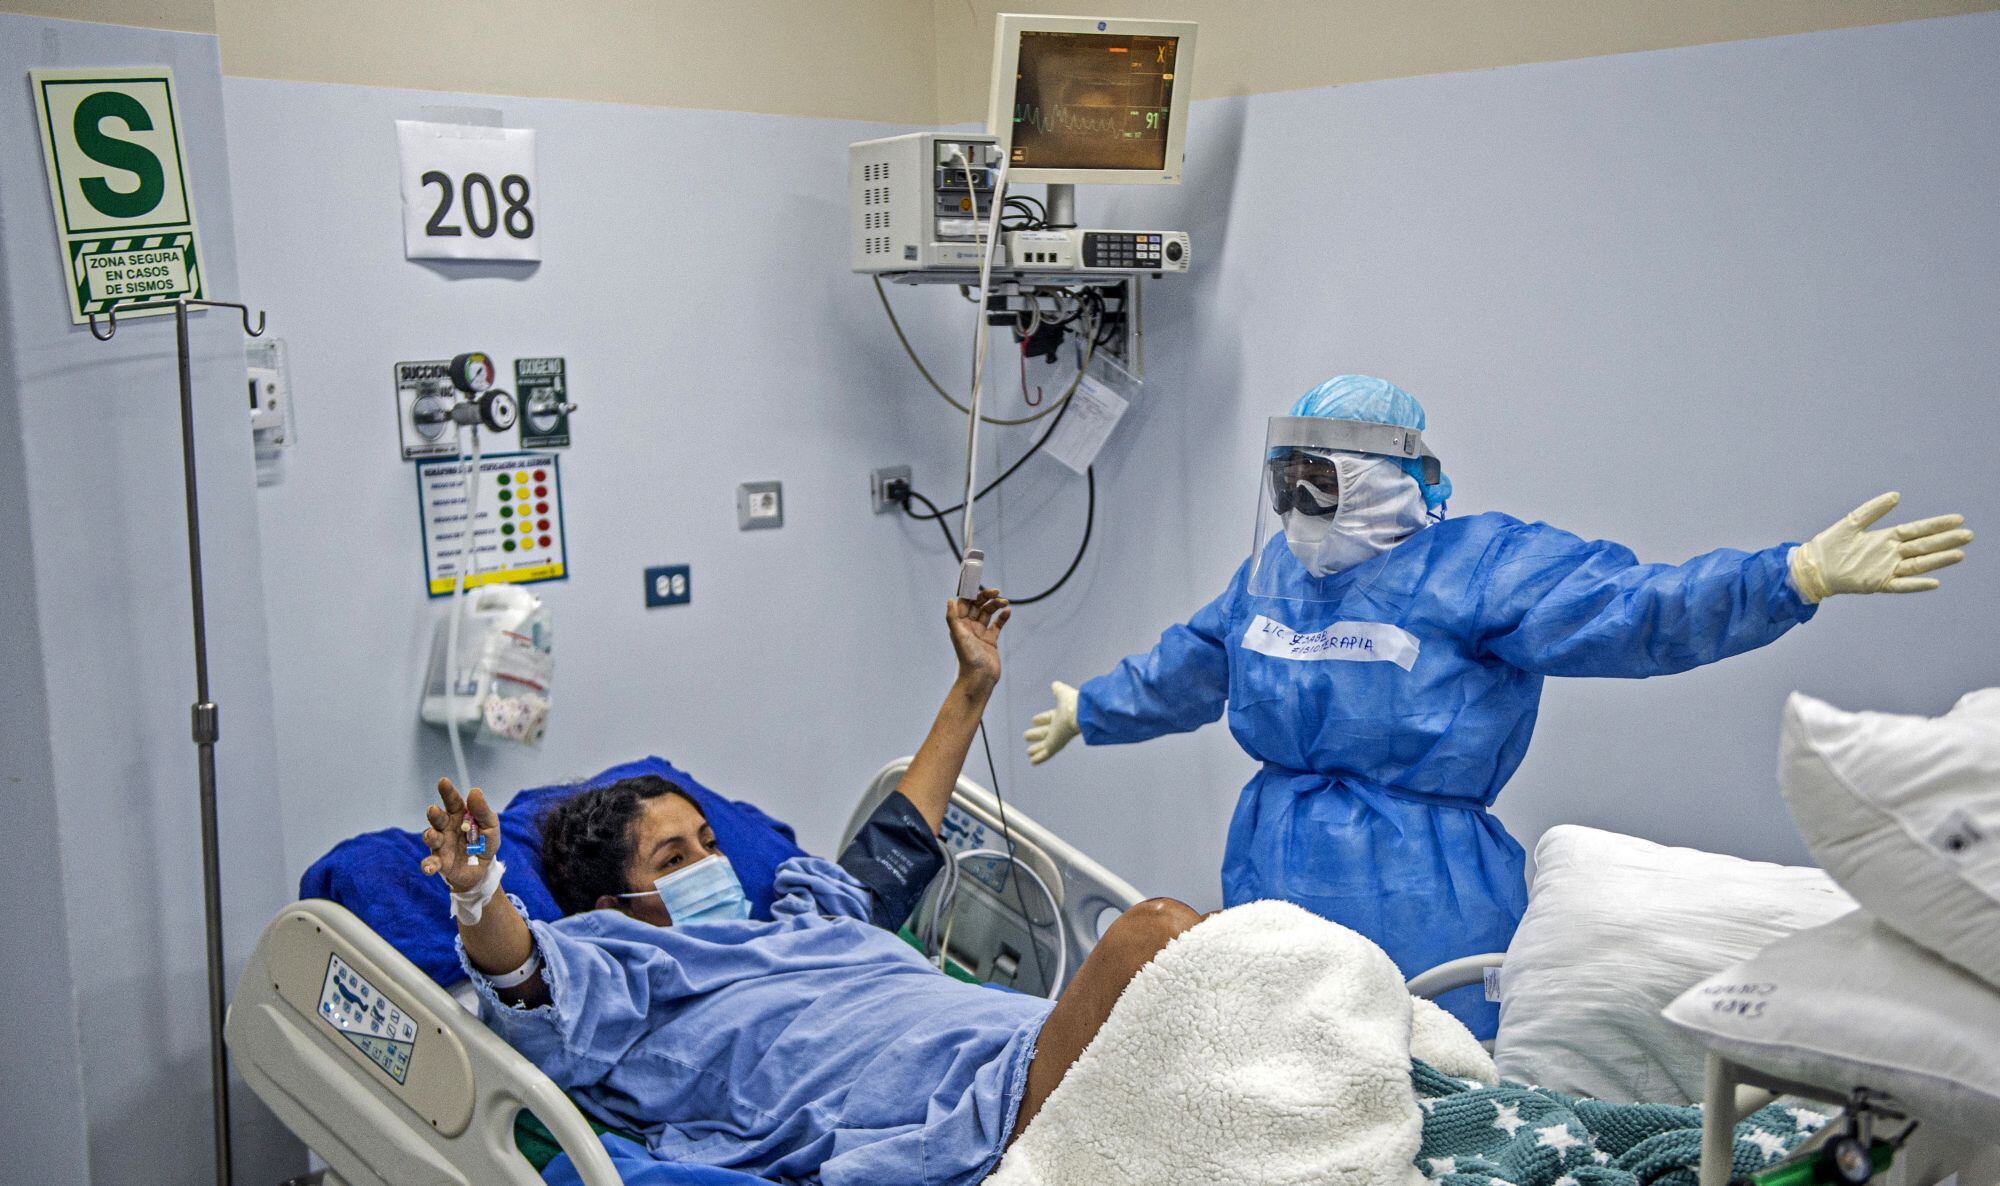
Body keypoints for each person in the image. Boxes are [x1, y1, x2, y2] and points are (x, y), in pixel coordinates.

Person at [1022, 373, 1974, 1034]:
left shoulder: (1481, 569)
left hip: (1425, 888)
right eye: (1286, 483)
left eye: (1321, 483)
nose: (1298, 510)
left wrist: (1791, 576)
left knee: (1435, 1087)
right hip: (1273, 866)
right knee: (1281, 1077)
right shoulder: (1273, 572)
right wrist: (1094, 709)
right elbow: (1196, 661)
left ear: (1388, 478)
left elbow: (1633, 612)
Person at [422, 589, 1207, 1186]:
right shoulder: (627, 966)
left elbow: (900, 834)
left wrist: (973, 684)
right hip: (965, 1111)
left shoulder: (805, 916)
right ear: (610, 907)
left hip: (1026, 1043)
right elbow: (522, 977)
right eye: (673, 860)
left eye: (709, 841)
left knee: (1227, 984)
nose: (711, 864)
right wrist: (475, 891)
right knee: (1158, 936)